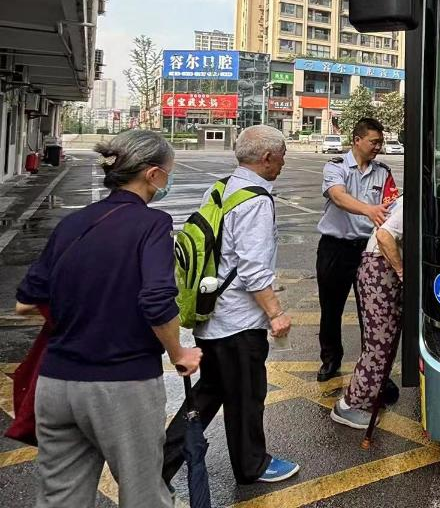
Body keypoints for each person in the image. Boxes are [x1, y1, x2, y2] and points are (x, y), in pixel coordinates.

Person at [14, 130, 202, 508]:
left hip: (56, 384)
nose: (169, 178)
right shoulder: (152, 224)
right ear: (152, 174)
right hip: (121, 384)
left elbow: (25, 302)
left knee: (59, 498)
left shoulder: (73, 223)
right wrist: (179, 352)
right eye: (168, 171)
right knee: (143, 495)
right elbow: (155, 300)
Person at [162, 125, 299, 486]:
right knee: (247, 397)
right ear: (267, 157)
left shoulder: (222, 188)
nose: (284, 162)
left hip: (213, 314)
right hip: (239, 322)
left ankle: (158, 463)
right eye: (282, 154)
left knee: (210, 394)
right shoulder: (255, 200)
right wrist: (275, 313)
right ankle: (251, 466)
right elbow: (254, 270)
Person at [315, 117, 394, 383]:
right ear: (357, 140)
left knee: (372, 311)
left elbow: (390, 206)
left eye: (380, 142)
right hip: (335, 249)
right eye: (374, 142)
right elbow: (337, 196)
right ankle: (330, 359)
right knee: (331, 308)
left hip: (369, 250)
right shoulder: (335, 167)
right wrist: (369, 210)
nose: (378, 147)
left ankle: (372, 367)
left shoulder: (383, 172)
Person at [331, 196, 404, 429]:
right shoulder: (411, 201)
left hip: (380, 271)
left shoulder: (408, 197)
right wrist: (402, 271)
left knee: (385, 342)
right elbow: (384, 236)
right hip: (380, 272)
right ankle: (350, 405)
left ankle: (369, 396)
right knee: (379, 343)